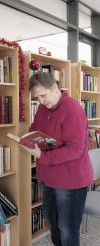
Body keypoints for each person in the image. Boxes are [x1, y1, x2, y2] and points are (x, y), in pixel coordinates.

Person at [24, 71, 93, 246]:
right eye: (37, 98)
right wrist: (28, 139)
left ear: (55, 87)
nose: (41, 101)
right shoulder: (42, 108)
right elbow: (34, 128)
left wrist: (42, 156)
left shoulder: (73, 110)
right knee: (52, 222)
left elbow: (75, 149)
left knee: (67, 229)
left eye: (43, 95)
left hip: (71, 181)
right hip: (49, 177)